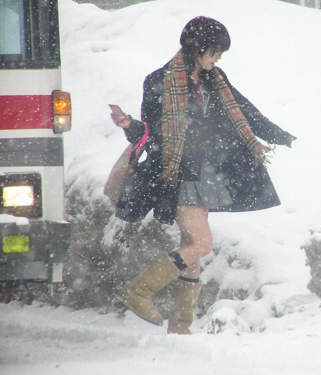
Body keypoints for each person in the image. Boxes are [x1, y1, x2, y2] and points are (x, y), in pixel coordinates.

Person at [110, 16, 296, 334]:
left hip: (203, 173)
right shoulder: (159, 81)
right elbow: (154, 134)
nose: (218, 58)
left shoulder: (215, 79)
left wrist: (279, 135)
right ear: (198, 48)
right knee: (202, 244)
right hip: (178, 174)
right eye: (215, 51)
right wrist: (130, 127)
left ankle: (180, 331)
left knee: (192, 252)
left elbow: (245, 110)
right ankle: (138, 291)